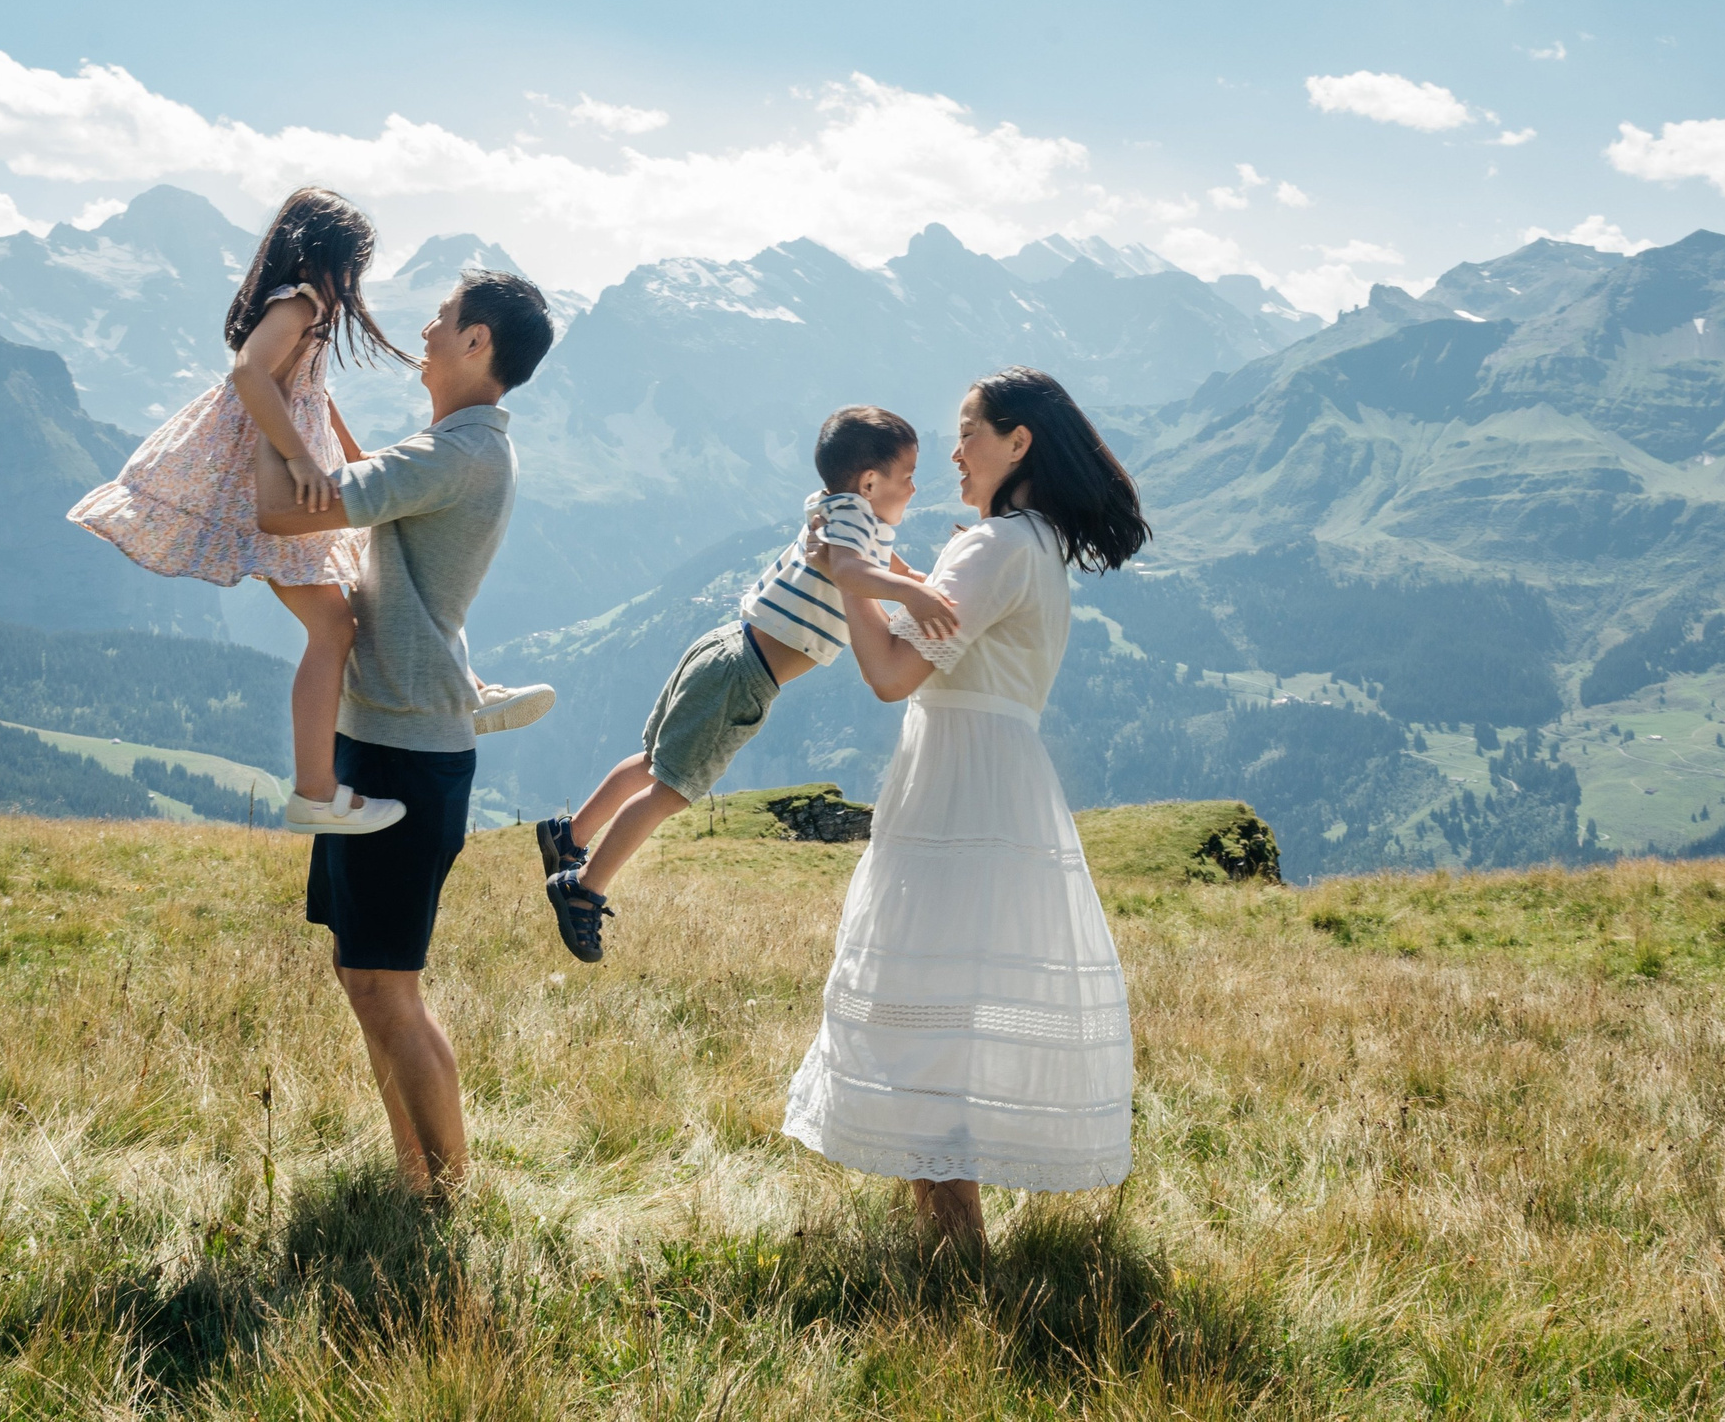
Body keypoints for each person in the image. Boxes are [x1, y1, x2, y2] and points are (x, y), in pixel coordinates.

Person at [780, 367, 1151, 1253]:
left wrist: (844, 572)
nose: (953, 451)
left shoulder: (991, 545)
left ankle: (955, 1255)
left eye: (969, 431)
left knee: (927, 1009)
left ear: (1018, 443)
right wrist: (888, 570)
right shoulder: (1035, 543)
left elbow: (891, 675)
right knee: (951, 1006)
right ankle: (955, 1244)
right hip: (1003, 781)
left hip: (953, 783)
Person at [69, 188, 547, 835]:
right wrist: (297, 459)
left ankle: (460, 690)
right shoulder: (300, 303)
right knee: (336, 628)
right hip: (264, 469)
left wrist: (353, 459)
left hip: (277, 458)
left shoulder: (307, 311)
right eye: (353, 266)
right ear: (325, 254)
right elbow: (249, 373)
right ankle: (317, 790)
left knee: (358, 600)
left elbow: (312, 399)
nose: (355, 283)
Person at [255, 266, 554, 1192]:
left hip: (403, 755)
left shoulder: (456, 456)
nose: (425, 325)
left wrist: (254, 408)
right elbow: (358, 475)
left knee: (389, 984)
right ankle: (417, 1178)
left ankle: (446, 1191)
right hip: (390, 736)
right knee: (367, 976)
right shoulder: (455, 446)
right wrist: (304, 411)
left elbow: (279, 508)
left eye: (444, 316)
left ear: (478, 344)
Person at [534, 406, 958, 963]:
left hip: (725, 647)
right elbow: (854, 573)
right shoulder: (854, 521)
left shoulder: (839, 509)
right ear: (870, 482)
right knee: (672, 789)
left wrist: (915, 578)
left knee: (652, 760)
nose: (914, 487)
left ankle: (569, 836)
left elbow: (878, 560)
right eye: (908, 475)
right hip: (743, 676)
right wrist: (915, 597)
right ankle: (583, 888)